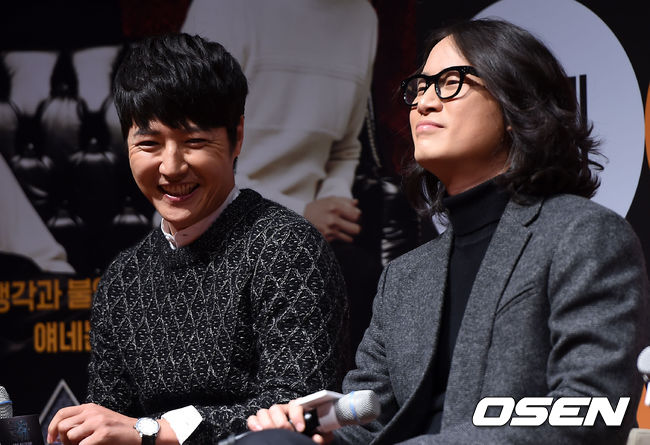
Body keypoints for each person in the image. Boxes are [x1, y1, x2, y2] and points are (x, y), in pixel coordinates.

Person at [243, 18, 649, 444]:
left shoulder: (583, 235)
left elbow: (591, 412)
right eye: (419, 88)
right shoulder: (404, 276)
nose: (423, 102)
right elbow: (367, 421)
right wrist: (314, 436)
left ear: (517, 104)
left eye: (450, 83)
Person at [46, 33, 348, 445]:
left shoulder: (286, 246)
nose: (171, 168)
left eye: (194, 142)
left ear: (237, 136)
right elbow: (109, 420)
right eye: (149, 143)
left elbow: (297, 410)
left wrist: (153, 430)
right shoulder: (122, 279)